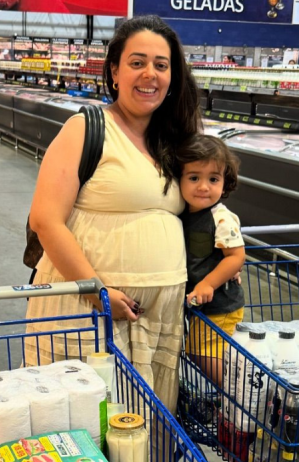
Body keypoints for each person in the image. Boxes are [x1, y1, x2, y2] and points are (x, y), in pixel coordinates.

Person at [24, 15, 202, 416]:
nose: (150, 74)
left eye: (161, 64)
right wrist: (98, 290)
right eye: (137, 62)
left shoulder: (175, 141)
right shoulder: (85, 128)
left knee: (142, 433)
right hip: (87, 313)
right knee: (82, 424)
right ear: (114, 71)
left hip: (156, 322)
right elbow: (45, 220)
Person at [178, 134, 245, 387]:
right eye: (194, 178)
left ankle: (241, 397)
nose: (204, 186)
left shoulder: (221, 217)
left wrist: (207, 283)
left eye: (213, 179)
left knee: (201, 351)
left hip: (221, 304)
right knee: (201, 350)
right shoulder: (183, 212)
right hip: (202, 305)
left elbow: (236, 257)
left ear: (225, 182)